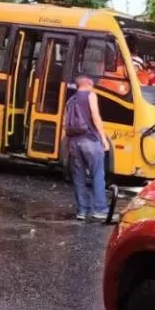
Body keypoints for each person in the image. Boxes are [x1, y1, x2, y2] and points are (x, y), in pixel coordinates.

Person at [63, 75, 110, 221]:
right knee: (97, 174)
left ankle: (82, 211)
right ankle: (100, 209)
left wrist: (65, 147)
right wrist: (103, 139)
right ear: (88, 83)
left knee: (78, 177)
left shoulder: (70, 101)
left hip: (73, 143)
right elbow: (96, 117)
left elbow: (65, 124)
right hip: (90, 140)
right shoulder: (91, 95)